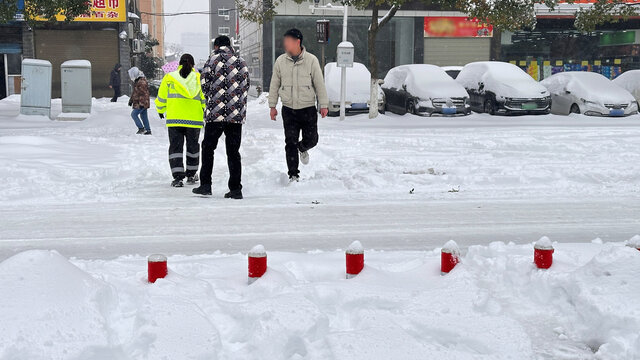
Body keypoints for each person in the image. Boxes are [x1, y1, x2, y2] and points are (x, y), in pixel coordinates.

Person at [268, 28, 329, 183]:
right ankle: (293, 174)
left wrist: (324, 104)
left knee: (312, 140)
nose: (285, 44)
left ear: (297, 42)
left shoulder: (311, 60)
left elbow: (319, 84)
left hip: (307, 108)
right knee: (290, 142)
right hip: (289, 109)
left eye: (288, 41)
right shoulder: (280, 61)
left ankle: (303, 148)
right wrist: (272, 106)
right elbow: (274, 84)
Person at [193, 36, 250, 199]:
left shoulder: (212, 60)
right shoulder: (241, 62)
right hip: (235, 115)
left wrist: (214, 97)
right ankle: (235, 189)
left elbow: (204, 84)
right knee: (233, 151)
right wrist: (236, 102)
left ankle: (205, 185)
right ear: (230, 45)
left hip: (215, 114)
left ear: (216, 46)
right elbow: (246, 85)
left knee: (208, 148)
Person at [155, 54, 206, 187]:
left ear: (179, 64)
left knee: (176, 148)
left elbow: (161, 97)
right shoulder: (199, 78)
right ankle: (191, 174)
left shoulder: (169, 78)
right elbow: (204, 98)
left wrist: (161, 110)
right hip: (194, 120)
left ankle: (178, 178)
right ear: (193, 64)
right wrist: (205, 111)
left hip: (174, 119)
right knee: (193, 147)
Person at [127, 67, 151, 135]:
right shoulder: (138, 80)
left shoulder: (141, 81)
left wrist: (141, 103)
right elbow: (135, 92)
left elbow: (143, 94)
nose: (130, 76)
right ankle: (148, 130)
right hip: (142, 102)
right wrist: (131, 100)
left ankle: (141, 128)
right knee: (144, 116)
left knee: (134, 114)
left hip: (142, 102)